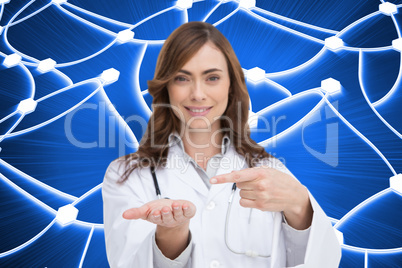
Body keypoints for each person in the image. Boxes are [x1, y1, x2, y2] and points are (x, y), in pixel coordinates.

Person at [102, 21, 341, 268]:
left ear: (231, 86)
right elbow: (126, 262)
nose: (197, 93)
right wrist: (170, 235)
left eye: (212, 78)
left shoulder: (269, 171)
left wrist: (300, 206)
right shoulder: (126, 176)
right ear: (167, 88)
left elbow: (324, 261)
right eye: (182, 78)